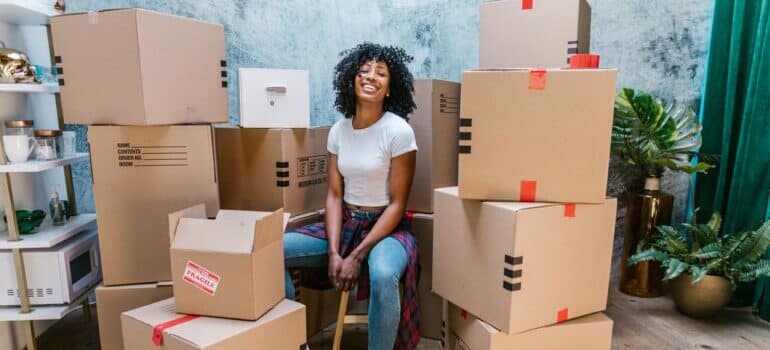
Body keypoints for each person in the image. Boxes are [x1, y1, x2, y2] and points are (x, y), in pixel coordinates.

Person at [283, 42, 420, 350]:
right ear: (351, 79)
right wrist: (333, 253)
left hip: (386, 229)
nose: (371, 77)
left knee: (384, 275)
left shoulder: (398, 132)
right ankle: (289, 341)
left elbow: (398, 203)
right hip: (345, 223)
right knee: (271, 250)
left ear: (389, 87)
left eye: (381, 73)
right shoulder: (338, 131)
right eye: (364, 71)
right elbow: (333, 195)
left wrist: (357, 256)